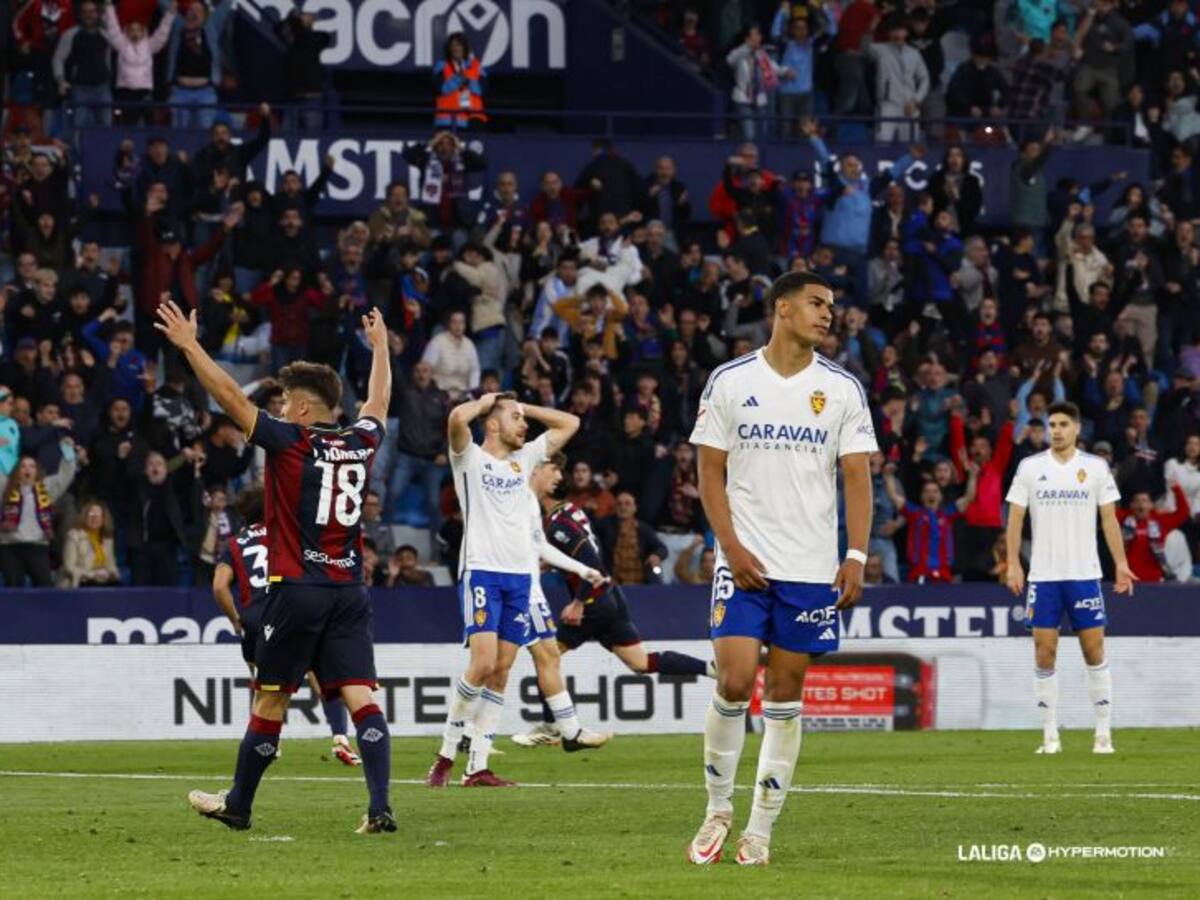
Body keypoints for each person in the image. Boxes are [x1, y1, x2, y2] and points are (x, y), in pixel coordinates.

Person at [158, 300, 396, 834]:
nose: (282, 410)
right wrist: (381, 348)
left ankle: (238, 804)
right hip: (348, 589)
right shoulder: (361, 441)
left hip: (297, 590)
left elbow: (227, 397)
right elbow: (379, 400)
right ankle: (380, 806)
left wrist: (190, 346)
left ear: (305, 409)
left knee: (271, 698)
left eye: (287, 402)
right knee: (361, 697)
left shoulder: (291, 442)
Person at [687, 271, 876, 866]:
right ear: (782, 308)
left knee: (786, 694)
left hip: (810, 568)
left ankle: (760, 829)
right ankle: (718, 808)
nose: (827, 314)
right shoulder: (731, 381)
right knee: (735, 680)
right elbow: (708, 471)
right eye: (817, 303)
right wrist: (730, 547)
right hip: (743, 561)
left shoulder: (841, 389)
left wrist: (855, 555)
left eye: (831, 307)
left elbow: (857, 477)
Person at [425, 391, 583, 788]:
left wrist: (523, 407)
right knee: (482, 664)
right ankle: (446, 752)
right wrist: (486, 403)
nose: (524, 424)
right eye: (515, 418)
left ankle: (476, 767)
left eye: (523, 418)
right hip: (482, 572)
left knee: (500, 671)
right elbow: (456, 420)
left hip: (519, 580)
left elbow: (570, 423)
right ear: (493, 424)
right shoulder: (469, 458)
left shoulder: (524, 458)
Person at [512, 454, 714, 747]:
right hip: (610, 597)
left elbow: (592, 561)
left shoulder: (557, 524)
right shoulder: (570, 512)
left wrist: (578, 602)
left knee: (546, 656)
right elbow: (584, 553)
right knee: (640, 662)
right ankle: (710, 668)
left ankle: (553, 725)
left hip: (593, 602)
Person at [1005, 402, 1136, 755]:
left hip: (1084, 575)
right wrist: (1013, 563)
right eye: (1052, 424)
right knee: (1044, 652)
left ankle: (1103, 734)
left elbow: (1109, 519)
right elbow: (1015, 518)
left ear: (1077, 428)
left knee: (1094, 650)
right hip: (1043, 577)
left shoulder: (1095, 467)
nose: (1057, 430)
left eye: (1063, 424)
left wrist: (1120, 563)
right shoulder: (1031, 467)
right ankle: (1050, 736)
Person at [212, 485, 362, 768]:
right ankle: (340, 737)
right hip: (290, 608)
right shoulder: (290, 533)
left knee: (264, 682)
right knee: (317, 671)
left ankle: (267, 743)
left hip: (255, 618)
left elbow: (220, 586)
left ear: (243, 514)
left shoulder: (234, 544)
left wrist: (235, 619)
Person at [0, 441, 78, 587]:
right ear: (16, 470)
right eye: (23, 466)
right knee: (13, 590)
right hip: (10, 547)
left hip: (38, 547)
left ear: (37, 471)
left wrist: (68, 452)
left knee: (45, 588)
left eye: (31, 466)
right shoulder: (5, 487)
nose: (27, 469)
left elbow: (65, 476)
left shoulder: (47, 488)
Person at [59, 500, 120, 587]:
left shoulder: (107, 539)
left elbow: (111, 565)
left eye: (98, 515)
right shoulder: (73, 536)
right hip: (80, 582)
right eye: (91, 515)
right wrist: (92, 575)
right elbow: (69, 567)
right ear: (85, 517)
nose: (94, 518)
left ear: (103, 519)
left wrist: (111, 573)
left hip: (102, 581)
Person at [434, 32, 487, 131]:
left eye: (458, 45)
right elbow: (440, 89)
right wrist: (458, 79)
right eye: (452, 46)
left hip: (474, 119)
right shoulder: (441, 66)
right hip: (448, 120)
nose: (455, 48)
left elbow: (482, 90)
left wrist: (468, 82)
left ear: (464, 47)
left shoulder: (476, 66)